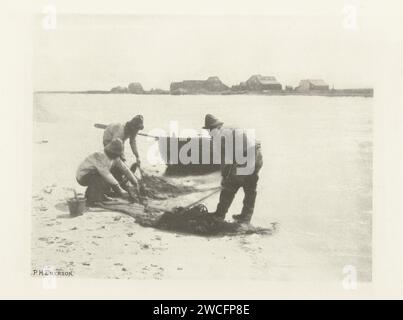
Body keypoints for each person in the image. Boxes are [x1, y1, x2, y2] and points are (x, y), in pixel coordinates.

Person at [203, 114, 263, 224]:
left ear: (216, 128)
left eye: (209, 130)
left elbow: (226, 160)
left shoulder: (220, 136)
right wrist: (226, 174)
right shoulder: (229, 130)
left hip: (248, 157)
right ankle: (245, 217)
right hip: (257, 155)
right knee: (250, 188)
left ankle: (219, 215)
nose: (209, 133)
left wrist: (225, 177)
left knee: (229, 187)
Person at [76, 138, 140, 205]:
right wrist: (120, 189)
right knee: (100, 178)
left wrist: (135, 182)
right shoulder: (99, 155)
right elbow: (105, 174)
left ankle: (101, 195)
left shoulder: (115, 157)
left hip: (96, 173)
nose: (116, 156)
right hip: (82, 176)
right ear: (111, 151)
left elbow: (125, 169)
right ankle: (93, 199)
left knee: (112, 173)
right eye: (115, 154)